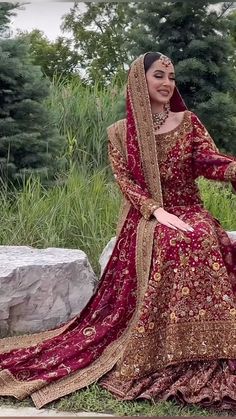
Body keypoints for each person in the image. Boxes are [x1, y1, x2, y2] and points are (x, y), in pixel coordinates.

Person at [0, 52, 236, 410]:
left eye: (171, 77)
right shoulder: (120, 132)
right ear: (139, 81)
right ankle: (164, 347)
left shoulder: (188, 122)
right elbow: (127, 182)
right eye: (159, 75)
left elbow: (207, 161)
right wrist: (156, 211)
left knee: (199, 234)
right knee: (171, 239)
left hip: (188, 208)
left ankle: (212, 345)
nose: (167, 83)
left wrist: (232, 170)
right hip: (148, 215)